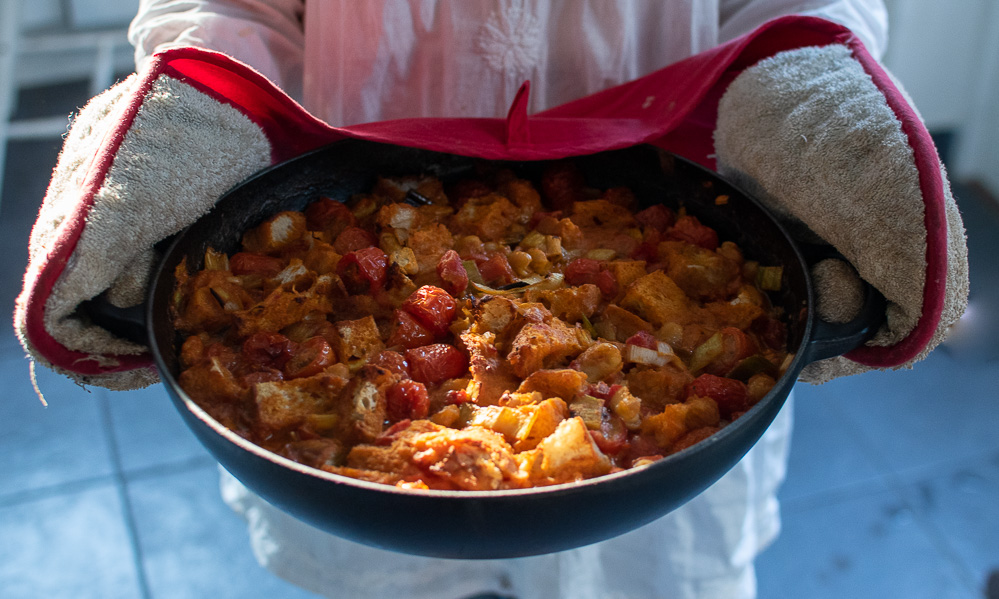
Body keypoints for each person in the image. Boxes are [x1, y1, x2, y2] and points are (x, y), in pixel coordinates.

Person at [122, 2, 890, 599]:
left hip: (687, 167)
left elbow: (802, 5)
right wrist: (202, 109)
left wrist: (805, 98)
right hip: (333, 149)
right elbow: (229, 6)